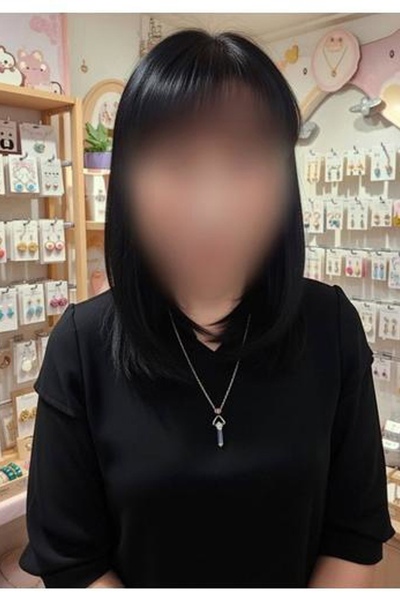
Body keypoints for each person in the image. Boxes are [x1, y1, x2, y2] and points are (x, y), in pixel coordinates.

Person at [19, 28, 395, 588]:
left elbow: (353, 534)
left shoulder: (330, 326)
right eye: (177, 161)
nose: (212, 206)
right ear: (127, 183)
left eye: (245, 160)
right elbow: (73, 560)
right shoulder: (83, 344)